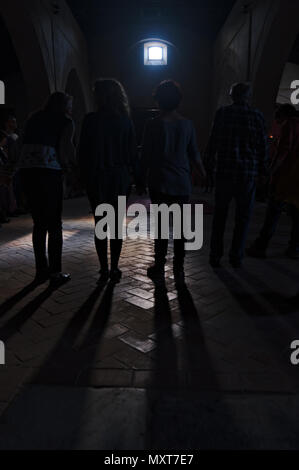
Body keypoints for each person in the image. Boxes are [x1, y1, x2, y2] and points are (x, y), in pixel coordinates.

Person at [139, 80, 206, 284]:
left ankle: (159, 265)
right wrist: (202, 173)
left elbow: (146, 156)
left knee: (160, 227)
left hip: (159, 181)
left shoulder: (152, 124)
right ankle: (179, 267)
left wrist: (140, 178)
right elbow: (194, 153)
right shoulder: (187, 124)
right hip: (181, 181)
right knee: (180, 228)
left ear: (159, 100)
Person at [79, 79, 138, 285]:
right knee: (116, 224)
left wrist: (81, 177)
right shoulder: (125, 121)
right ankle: (115, 267)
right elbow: (132, 154)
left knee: (101, 224)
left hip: (97, 177)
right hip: (119, 177)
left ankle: (104, 267)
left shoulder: (90, 120)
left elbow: (82, 152)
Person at [205, 82, 269, 268]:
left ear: (232, 95)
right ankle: (236, 256)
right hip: (247, 174)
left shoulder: (222, 114)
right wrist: (264, 170)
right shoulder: (257, 116)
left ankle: (215, 255)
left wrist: (209, 164)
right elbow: (263, 146)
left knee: (220, 216)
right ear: (248, 96)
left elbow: (213, 141)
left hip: (224, 172)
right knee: (243, 218)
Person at [18, 92, 76, 286]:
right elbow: (64, 148)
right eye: (69, 105)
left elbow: (21, 143)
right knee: (54, 224)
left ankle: (41, 270)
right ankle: (56, 271)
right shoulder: (65, 121)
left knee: (39, 223)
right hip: (50, 173)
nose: (71, 109)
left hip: (28, 172)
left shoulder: (34, 117)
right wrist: (70, 167)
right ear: (64, 105)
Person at [247, 104, 299, 259]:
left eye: (278, 119)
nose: (277, 123)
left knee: (273, 213)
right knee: (297, 216)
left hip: (286, 177)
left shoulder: (290, 125)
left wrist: (270, 172)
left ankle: (260, 247)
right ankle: (294, 249)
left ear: (284, 116)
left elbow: (283, 151)